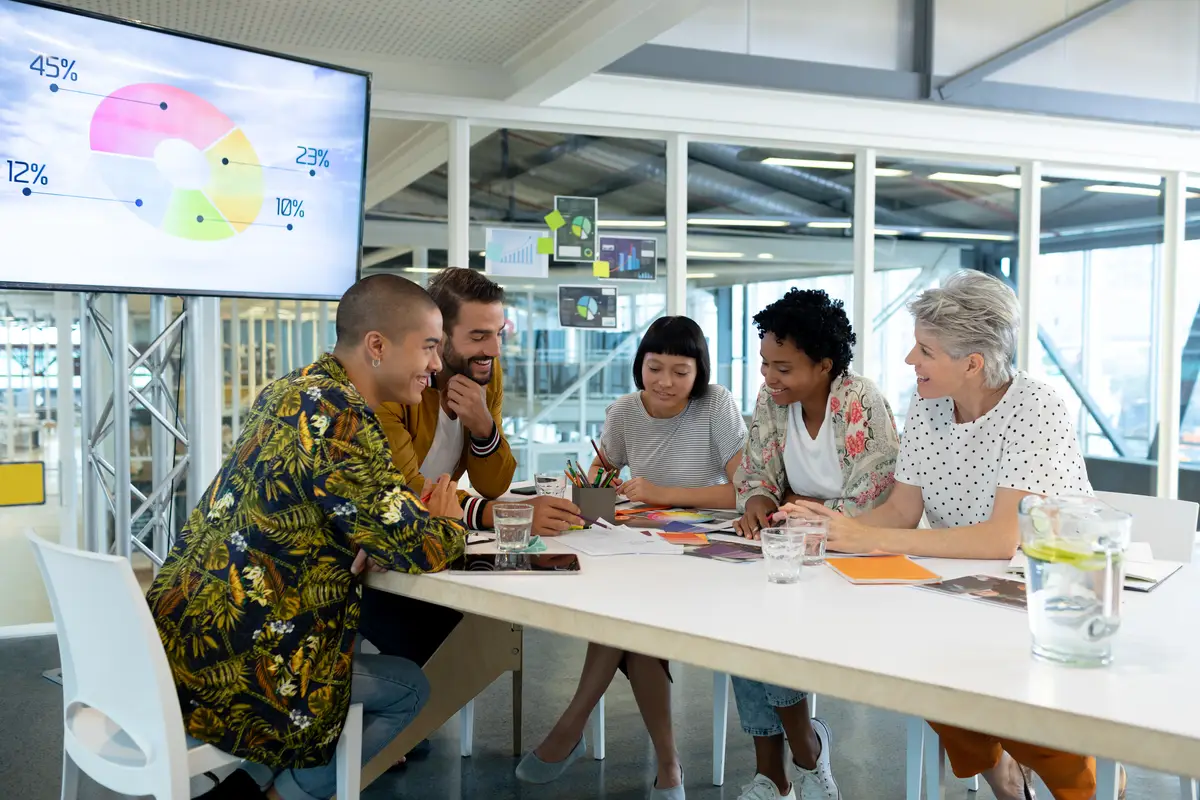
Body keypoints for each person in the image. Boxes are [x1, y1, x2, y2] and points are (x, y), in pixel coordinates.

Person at [782, 271, 1115, 800]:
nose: (911, 362)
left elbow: (1000, 540)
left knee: (1011, 693)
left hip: (1056, 592)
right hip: (967, 581)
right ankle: (1003, 778)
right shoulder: (927, 404)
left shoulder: (1038, 407)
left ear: (972, 363)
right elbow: (900, 511)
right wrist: (829, 528)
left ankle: (1088, 787)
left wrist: (866, 539)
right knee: (923, 664)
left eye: (925, 350)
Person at [147, 274, 468, 800]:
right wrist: (450, 522)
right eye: (430, 347)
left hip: (183, 636)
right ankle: (276, 797)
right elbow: (418, 547)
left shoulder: (292, 389)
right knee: (410, 689)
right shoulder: (342, 418)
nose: (438, 364)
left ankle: (243, 786)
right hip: (242, 659)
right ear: (377, 346)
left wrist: (367, 535)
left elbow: (323, 506)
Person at [516, 316, 747, 800]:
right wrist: (590, 488)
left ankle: (573, 726)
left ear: (699, 371)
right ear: (639, 365)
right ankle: (667, 766)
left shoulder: (716, 405)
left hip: (708, 553)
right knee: (632, 623)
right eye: (654, 367)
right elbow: (600, 476)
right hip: (645, 548)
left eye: (680, 371)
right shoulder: (624, 410)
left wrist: (660, 493)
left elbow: (744, 492)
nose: (664, 381)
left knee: (627, 620)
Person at [361, 267, 582, 669]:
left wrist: (484, 428)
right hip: (379, 554)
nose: (494, 350)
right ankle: (409, 719)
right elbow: (405, 491)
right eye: (479, 336)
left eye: (499, 333)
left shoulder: (484, 373)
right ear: (436, 336)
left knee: (480, 625)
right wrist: (506, 516)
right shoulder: (392, 385)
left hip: (421, 539)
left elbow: (494, 483)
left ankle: (415, 716)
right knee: (444, 631)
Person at [729, 288, 900, 800]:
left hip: (857, 559)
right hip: (792, 546)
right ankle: (781, 770)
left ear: (824, 365)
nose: (768, 378)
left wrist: (802, 509)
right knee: (740, 621)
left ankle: (799, 754)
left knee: (765, 623)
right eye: (764, 364)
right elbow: (755, 469)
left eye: (783, 367)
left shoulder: (860, 400)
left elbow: (875, 494)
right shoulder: (771, 401)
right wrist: (759, 499)